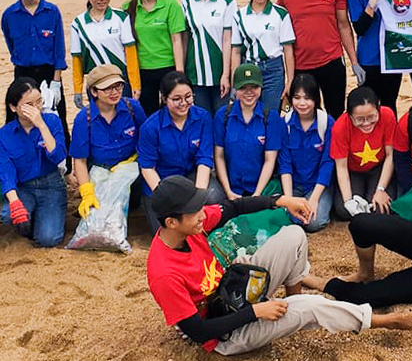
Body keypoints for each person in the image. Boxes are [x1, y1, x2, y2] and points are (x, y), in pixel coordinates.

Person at [145, 175, 412, 357]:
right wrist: (257, 311)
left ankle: (289, 305)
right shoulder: (163, 273)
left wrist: (282, 201)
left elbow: (233, 208)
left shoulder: (189, 226)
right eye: (194, 211)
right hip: (223, 335)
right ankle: (385, 321)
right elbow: (198, 332)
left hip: (233, 292)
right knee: (308, 307)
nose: (201, 214)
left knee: (294, 235)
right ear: (171, 222)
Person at [277, 0, 360, 118]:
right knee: (306, 114)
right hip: (301, 64)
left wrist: (354, 61)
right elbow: (279, 25)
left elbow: (344, 25)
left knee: (335, 113)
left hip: (332, 61)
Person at [138, 71, 223, 234]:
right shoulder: (150, 127)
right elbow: (147, 167)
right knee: (167, 230)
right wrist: (165, 197)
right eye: (176, 99)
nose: (183, 103)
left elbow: (204, 159)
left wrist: (197, 200)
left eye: (188, 96)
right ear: (164, 99)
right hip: (162, 182)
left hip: (191, 177)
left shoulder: (203, 117)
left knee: (214, 198)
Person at [69, 64, 147, 226]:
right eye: (107, 89)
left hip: (131, 169)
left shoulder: (133, 107)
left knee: (133, 204)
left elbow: (147, 141)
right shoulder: (84, 118)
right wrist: (87, 192)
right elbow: (80, 160)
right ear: (94, 91)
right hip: (100, 171)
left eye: (118, 86)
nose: (115, 92)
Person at [0, 78, 68, 247]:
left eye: (39, 102)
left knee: (48, 239)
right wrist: (14, 201)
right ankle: (28, 223)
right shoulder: (6, 134)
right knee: (8, 214)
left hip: (51, 184)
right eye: (29, 104)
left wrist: (41, 126)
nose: (36, 108)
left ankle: (48, 215)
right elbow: (6, 170)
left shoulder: (51, 121)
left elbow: (58, 156)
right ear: (13, 107)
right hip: (24, 187)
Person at [3, 0, 69, 136]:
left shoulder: (52, 12)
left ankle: (64, 163)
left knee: (57, 118)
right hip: (23, 73)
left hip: (49, 74)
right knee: (16, 119)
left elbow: (59, 50)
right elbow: (12, 46)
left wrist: (56, 82)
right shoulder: (9, 15)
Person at [126, 0, 186, 115]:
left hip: (167, 67)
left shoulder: (170, 4)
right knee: (147, 113)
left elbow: (176, 39)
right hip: (142, 70)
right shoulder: (128, 7)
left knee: (171, 112)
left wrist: (179, 71)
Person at [70, 0, 142, 107]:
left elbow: (131, 54)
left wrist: (135, 85)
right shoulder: (78, 23)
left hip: (120, 81)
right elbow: (77, 60)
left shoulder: (121, 17)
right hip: (96, 83)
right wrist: (77, 91)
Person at [231, 0, 296, 114]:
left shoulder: (281, 14)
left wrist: (290, 80)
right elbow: (235, 51)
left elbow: (288, 49)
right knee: (249, 113)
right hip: (248, 69)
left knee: (270, 114)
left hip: (273, 70)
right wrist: (234, 82)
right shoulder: (239, 16)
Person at [347, 0, 401, 112]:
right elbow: (360, 29)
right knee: (370, 106)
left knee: (390, 105)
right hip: (369, 58)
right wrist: (371, 5)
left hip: (392, 55)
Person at [213, 63, 281, 199]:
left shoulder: (271, 118)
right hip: (230, 187)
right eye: (243, 88)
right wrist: (228, 191)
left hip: (260, 188)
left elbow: (270, 160)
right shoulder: (223, 115)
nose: (249, 92)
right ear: (235, 89)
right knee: (211, 197)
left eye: (254, 87)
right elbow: (219, 156)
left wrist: (256, 195)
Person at [277, 75, 335, 232]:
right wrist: (289, 200)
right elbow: (285, 164)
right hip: (294, 185)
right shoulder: (285, 123)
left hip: (317, 185)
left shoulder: (327, 122)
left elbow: (327, 163)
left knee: (313, 222)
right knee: (286, 217)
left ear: (316, 99)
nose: (302, 103)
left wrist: (314, 199)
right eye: (297, 97)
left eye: (307, 98)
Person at [330, 86, 397, 219]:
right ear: (349, 116)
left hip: (379, 167)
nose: (367, 123)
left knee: (381, 209)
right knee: (344, 211)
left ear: (378, 109)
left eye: (372, 117)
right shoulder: (340, 126)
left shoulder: (388, 115)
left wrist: (381, 190)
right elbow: (341, 167)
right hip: (353, 171)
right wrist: (348, 201)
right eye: (360, 119)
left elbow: (391, 155)